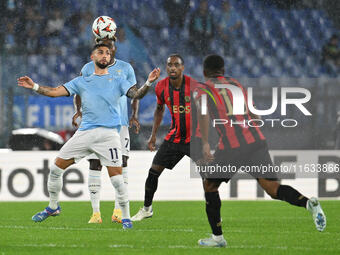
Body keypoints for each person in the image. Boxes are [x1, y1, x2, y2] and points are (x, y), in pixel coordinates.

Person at [17, 43, 161, 229]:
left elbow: (136, 95)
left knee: (117, 180)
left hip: (109, 135)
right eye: (100, 52)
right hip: (84, 133)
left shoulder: (118, 81)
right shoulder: (81, 81)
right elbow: (54, 92)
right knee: (55, 170)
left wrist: (148, 82)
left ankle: (125, 217)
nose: (105, 56)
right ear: (92, 57)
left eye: (108, 53)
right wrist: (34, 86)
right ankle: (53, 207)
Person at [193, 55, 326, 247]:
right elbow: (254, 114)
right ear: (223, 70)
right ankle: (308, 203)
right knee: (272, 188)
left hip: (232, 146)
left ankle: (217, 239)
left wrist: (205, 142)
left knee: (210, 186)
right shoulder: (236, 84)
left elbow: (203, 114)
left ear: (205, 72)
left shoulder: (203, 89)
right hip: (256, 141)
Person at [72, 38, 140, 224]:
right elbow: (78, 91)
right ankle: (96, 213)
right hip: (95, 124)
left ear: (114, 49)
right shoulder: (87, 68)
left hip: (120, 123)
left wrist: (134, 115)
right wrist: (78, 110)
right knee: (95, 164)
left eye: (108, 47)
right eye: (101, 48)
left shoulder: (126, 68)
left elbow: (134, 93)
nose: (105, 51)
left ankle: (118, 211)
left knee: (122, 163)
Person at [131, 54, 200, 221]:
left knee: (210, 179)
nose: (173, 68)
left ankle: (215, 214)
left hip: (195, 139)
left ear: (182, 67)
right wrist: (153, 135)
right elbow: (159, 110)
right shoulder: (161, 86)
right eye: (170, 65)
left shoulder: (194, 86)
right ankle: (147, 209)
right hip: (174, 138)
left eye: (176, 65)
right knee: (153, 172)